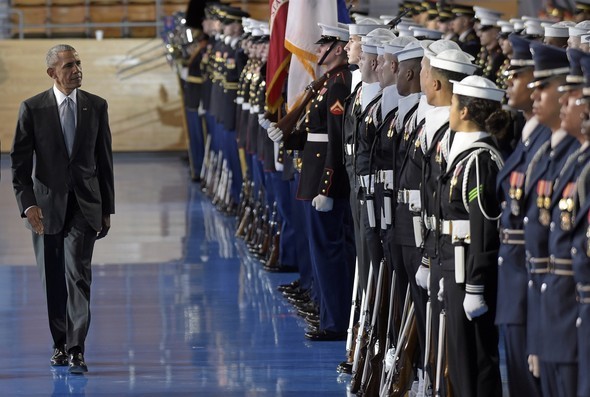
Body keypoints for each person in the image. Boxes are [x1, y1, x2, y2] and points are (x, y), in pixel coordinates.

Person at [11, 44, 115, 374]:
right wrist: (27, 205)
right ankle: (58, 343)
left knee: (78, 277)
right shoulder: (32, 108)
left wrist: (106, 209)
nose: (77, 70)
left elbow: (104, 161)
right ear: (52, 73)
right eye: (69, 65)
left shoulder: (96, 106)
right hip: (44, 210)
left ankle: (76, 348)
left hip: (84, 207)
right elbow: (19, 166)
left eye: (79, 63)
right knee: (53, 280)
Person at [438, 75, 506, 397]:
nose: (450, 109)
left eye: (453, 104)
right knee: (461, 360)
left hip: (469, 275)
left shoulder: (480, 160)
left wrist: (475, 285)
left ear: (464, 112)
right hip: (456, 267)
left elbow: (484, 228)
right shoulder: (466, 154)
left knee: (475, 362)